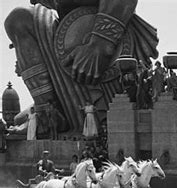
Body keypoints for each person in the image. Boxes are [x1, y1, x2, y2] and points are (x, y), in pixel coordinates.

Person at [5, 0, 158, 133]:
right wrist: (30, 54)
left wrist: (100, 43)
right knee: (18, 20)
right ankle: (48, 113)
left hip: (109, 48)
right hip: (67, 45)